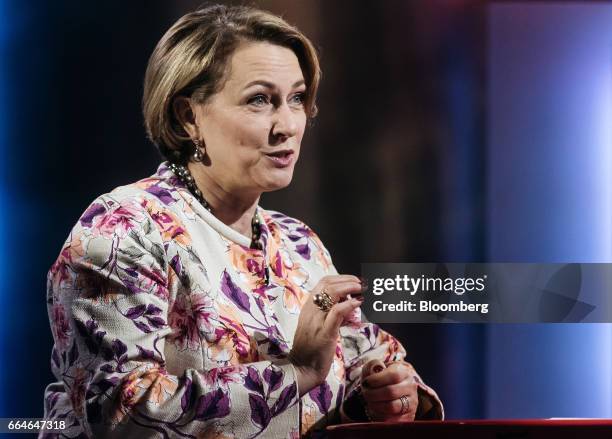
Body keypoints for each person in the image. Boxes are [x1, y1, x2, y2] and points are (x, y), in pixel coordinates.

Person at [41, 4, 443, 438]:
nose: (288, 124)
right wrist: (297, 371)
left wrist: (387, 394)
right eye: (259, 100)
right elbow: (124, 415)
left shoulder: (298, 244)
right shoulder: (123, 230)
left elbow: (367, 359)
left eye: (296, 98)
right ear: (188, 116)